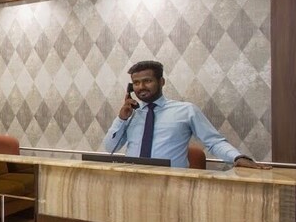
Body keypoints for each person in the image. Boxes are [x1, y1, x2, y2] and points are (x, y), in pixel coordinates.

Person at [103, 60, 263, 169]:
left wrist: (237, 157)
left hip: (173, 184)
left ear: (161, 82)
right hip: (133, 181)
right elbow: (110, 148)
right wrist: (121, 119)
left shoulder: (186, 110)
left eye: (147, 81)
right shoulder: (131, 114)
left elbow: (214, 142)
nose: (141, 87)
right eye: (136, 83)